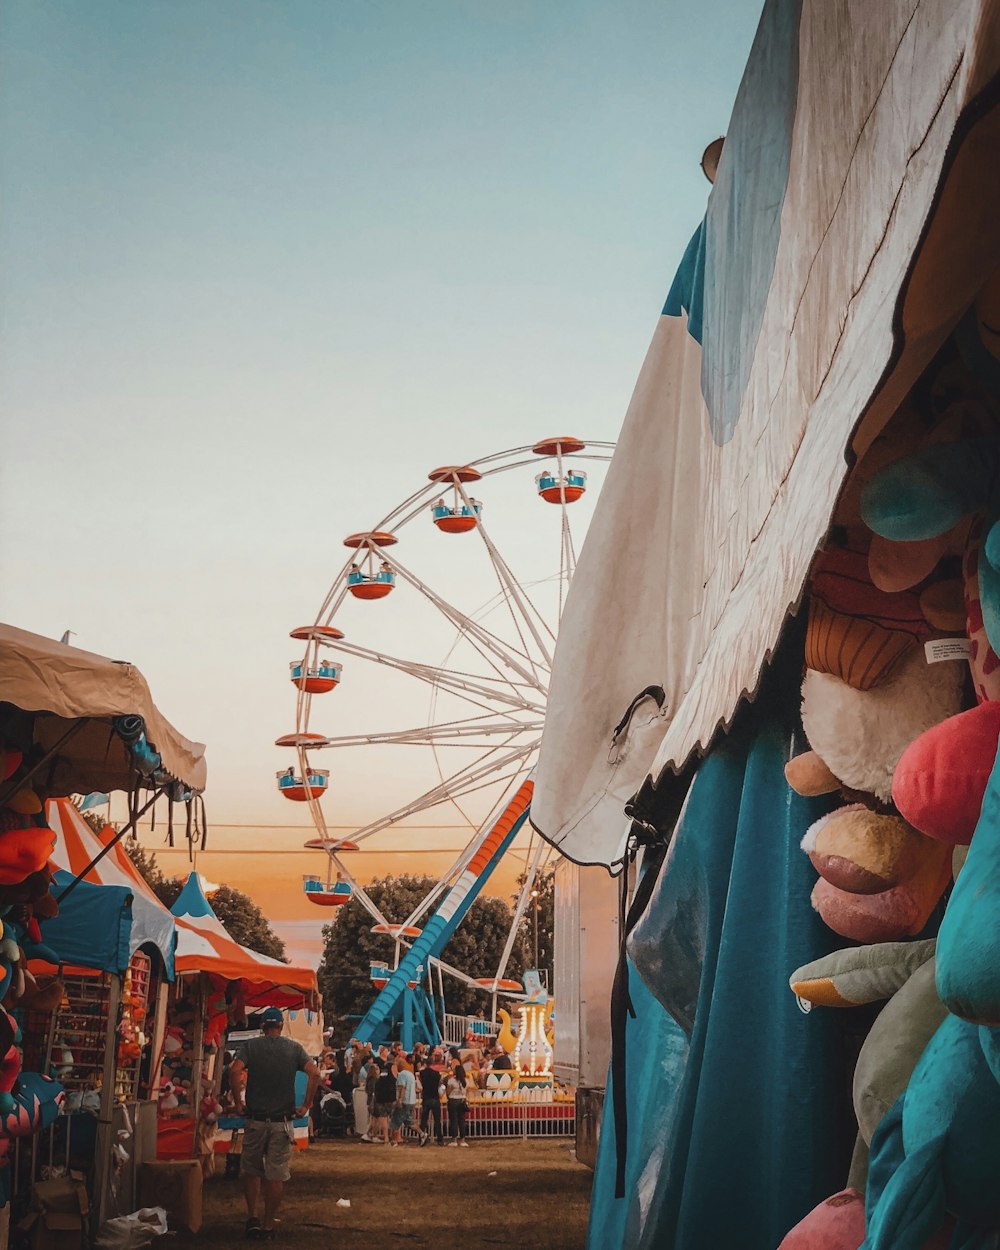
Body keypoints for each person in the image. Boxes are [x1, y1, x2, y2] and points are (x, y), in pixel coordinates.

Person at [230, 1007, 320, 1241]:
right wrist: (306, 1104)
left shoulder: (251, 1047)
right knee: (276, 1175)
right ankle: (269, 1225)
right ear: (280, 1026)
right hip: (282, 1121)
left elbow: (235, 1069)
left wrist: (239, 1103)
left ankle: (252, 1218)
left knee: (251, 1170)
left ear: (262, 1026)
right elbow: (315, 1074)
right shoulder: (293, 1049)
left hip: (256, 1119)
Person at [417, 1055, 444, 1146]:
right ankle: (440, 1139)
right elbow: (440, 1084)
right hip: (435, 1098)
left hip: (426, 1097)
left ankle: (421, 1138)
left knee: (424, 1120)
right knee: (437, 1120)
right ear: (432, 1063)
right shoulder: (437, 1074)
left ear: (425, 1063)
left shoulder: (422, 1073)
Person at [390, 1057, 417, 1145]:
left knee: (395, 1121)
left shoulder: (401, 1075)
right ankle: (422, 1134)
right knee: (408, 1121)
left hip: (405, 1101)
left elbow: (402, 1088)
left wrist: (399, 1100)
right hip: (412, 1101)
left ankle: (394, 1140)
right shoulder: (411, 1074)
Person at [371, 1059, 396, 1145]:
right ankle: (392, 1137)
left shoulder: (382, 1073)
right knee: (391, 1119)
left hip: (380, 1098)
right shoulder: (392, 1073)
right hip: (390, 1098)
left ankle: (386, 1138)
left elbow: (378, 1083)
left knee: (383, 1118)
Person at [445, 1061, 469, 1148]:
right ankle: (462, 1140)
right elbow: (467, 1092)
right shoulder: (466, 1081)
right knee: (462, 1120)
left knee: (454, 1120)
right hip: (462, 1101)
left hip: (453, 1101)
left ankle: (454, 1140)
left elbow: (448, 1092)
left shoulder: (451, 1080)